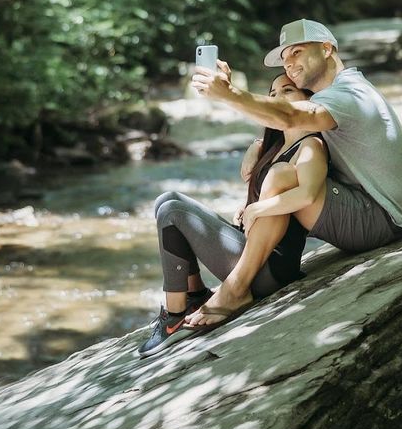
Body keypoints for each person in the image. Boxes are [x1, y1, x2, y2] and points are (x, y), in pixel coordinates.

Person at [186, 18, 402, 329]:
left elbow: (292, 116)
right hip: (367, 211)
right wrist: (258, 143)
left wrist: (230, 94)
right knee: (282, 173)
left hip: (376, 220)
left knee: (280, 176)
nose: (289, 64)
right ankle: (251, 272)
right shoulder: (339, 92)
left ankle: (237, 288)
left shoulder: (348, 95)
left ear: (328, 49)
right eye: (284, 57)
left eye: (297, 52)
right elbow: (294, 124)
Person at [139, 74, 328, 357]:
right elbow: (247, 175)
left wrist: (258, 208)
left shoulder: (311, 145)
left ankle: (174, 316)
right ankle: (194, 296)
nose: (276, 98)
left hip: (269, 269)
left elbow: (308, 194)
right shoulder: (275, 149)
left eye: (287, 91)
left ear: (309, 101)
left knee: (172, 209)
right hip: (253, 252)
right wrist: (257, 146)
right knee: (165, 201)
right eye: (272, 92)